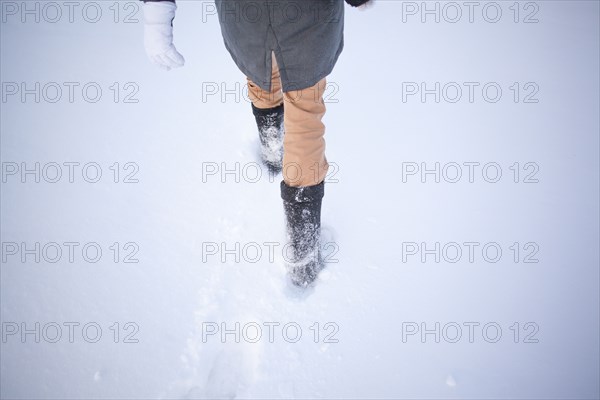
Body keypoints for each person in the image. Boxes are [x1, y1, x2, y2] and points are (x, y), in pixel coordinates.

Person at [142, 0, 371, 287]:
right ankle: (303, 251)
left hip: (244, 13)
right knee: (304, 113)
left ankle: (273, 147)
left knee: (262, 68)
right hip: (307, 14)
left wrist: (156, 15)